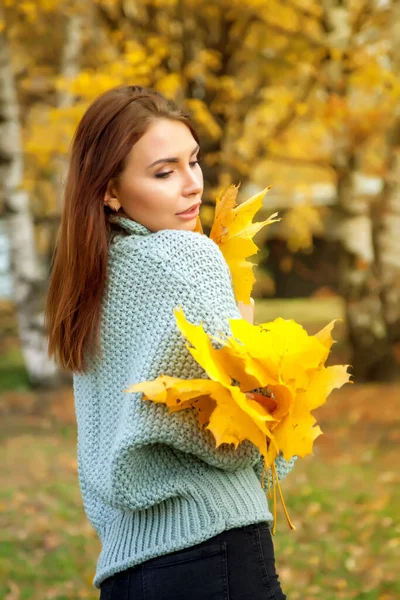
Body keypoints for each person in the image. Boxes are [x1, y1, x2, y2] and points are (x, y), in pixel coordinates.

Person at [45, 85, 295, 599]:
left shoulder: (88, 287)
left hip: (124, 570)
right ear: (110, 190)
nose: (192, 186)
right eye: (164, 172)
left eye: (194, 162)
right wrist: (254, 351)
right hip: (214, 547)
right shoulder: (188, 257)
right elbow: (239, 441)